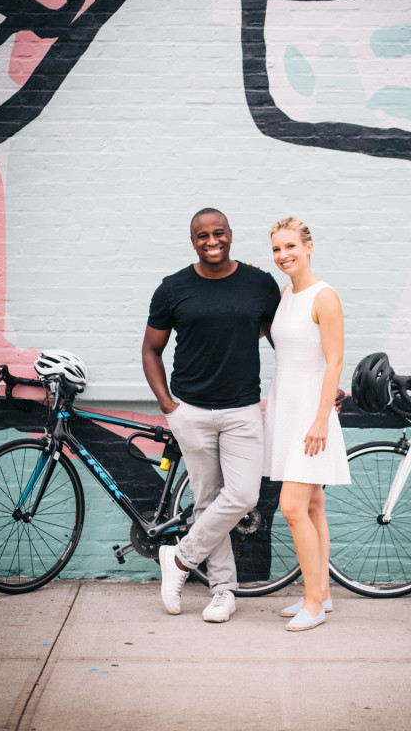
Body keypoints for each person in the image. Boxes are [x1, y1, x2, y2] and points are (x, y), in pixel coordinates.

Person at [142, 207, 281, 623]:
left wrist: (323, 384)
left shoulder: (259, 284)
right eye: (202, 236)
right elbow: (152, 349)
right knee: (207, 501)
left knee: (242, 496)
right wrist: (168, 404)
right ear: (193, 241)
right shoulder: (173, 288)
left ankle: (180, 559)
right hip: (191, 410)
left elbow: (285, 342)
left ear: (231, 235)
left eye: (218, 233)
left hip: (241, 409)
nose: (211, 241)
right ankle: (223, 591)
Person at [263, 217, 350, 632]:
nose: (284, 256)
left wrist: (321, 419)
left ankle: (312, 604)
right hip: (286, 404)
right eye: (277, 249)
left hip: (311, 414)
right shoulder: (285, 293)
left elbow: (334, 360)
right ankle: (323, 594)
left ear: (309, 247)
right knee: (313, 505)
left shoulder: (325, 296)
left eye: (291, 247)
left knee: (292, 506)